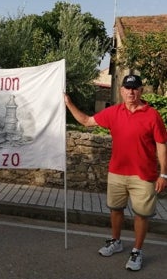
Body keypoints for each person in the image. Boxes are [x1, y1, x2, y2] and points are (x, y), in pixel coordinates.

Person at [65, 74, 167, 271]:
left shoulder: (152, 115)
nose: (131, 92)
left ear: (141, 91)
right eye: (127, 88)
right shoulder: (113, 112)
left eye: (135, 88)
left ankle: (137, 251)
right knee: (115, 209)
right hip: (117, 172)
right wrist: (68, 102)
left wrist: (163, 174)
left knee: (141, 215)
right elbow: (86, 121)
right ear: (121, 91)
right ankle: (116, 241)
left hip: (143, 175)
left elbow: (161, 145)